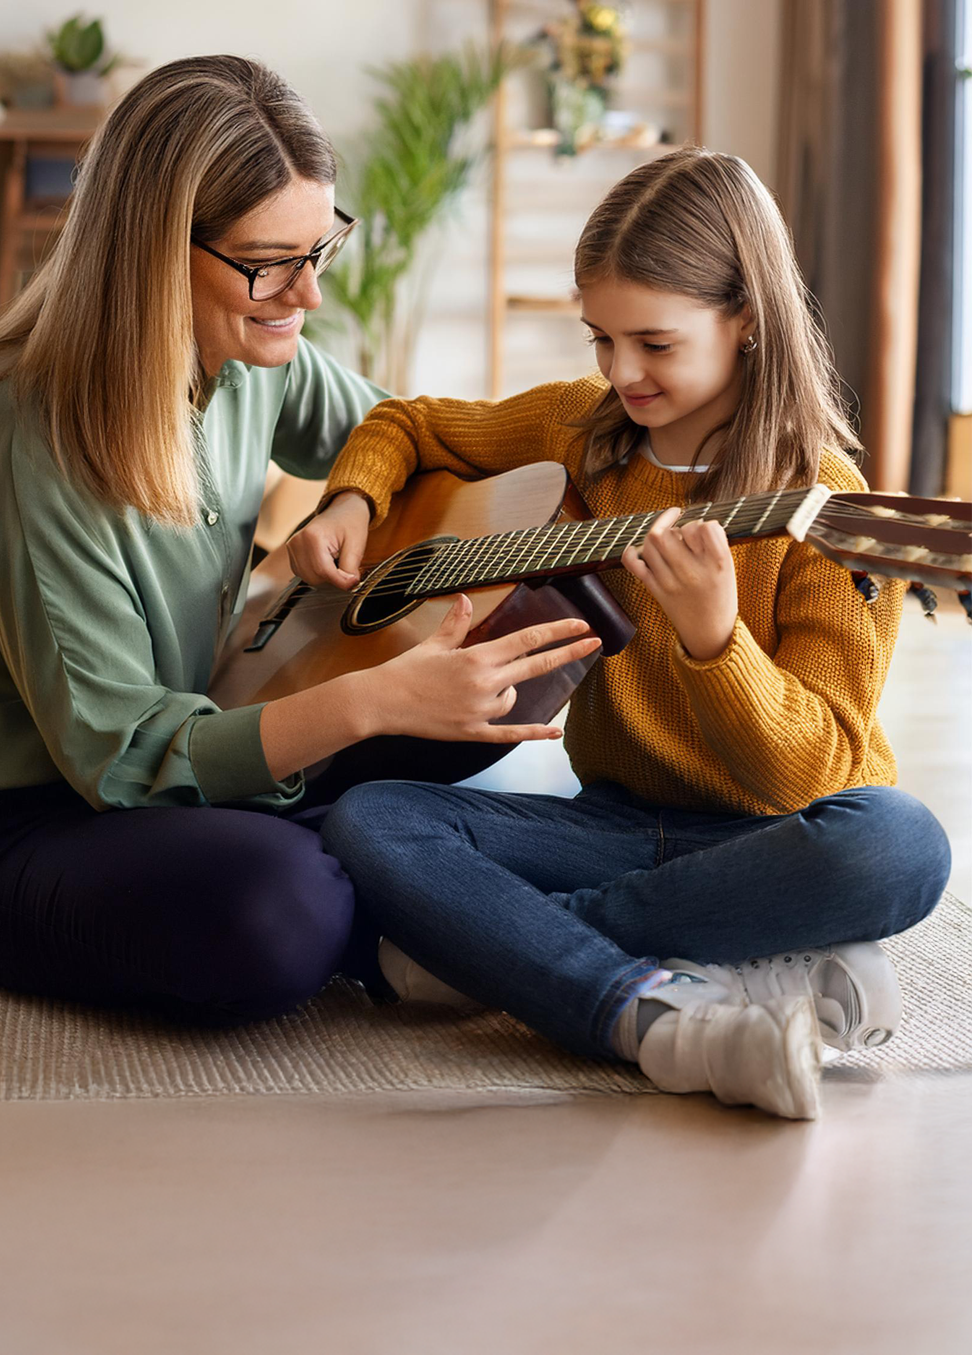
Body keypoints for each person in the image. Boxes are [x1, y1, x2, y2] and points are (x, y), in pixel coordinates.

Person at [0, 56, 595, 1024]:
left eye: (321, 250)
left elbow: (409, 437)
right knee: (275, 908)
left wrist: (351, 496)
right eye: (269, 262)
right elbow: (125, 760)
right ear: (149, 250)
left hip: (214, 745)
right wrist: (366, 704)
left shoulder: (254, 355)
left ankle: (436, 902)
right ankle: (440, 909)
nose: (306, 297)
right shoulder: (31, 442)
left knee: (536, 676)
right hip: (33, 828)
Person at [290, 148, 952, 1120]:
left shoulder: (830, 509)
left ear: (749, 322)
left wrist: (715, 644)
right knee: (376, 816)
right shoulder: (581, 427)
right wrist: (352, 499)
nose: (621, 372)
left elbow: (810, 773)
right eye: (601, 338)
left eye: (655, 343)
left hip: (768, 834)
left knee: (902, 848)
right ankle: (695, 969)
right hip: (607, 821)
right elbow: (414, 422)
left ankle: (535, 960)